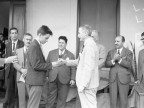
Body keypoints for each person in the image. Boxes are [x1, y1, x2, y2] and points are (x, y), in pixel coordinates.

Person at [25, 25, 62, 108]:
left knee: (33, 104)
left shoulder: (36, 45)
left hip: (36, 80)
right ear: (40, 35)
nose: (47, 40)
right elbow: (36, 65)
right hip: (35, 81)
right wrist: (52, 64)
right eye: (46, 38)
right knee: (33, 105)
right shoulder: (34, 46)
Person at [66, 25, 99, 108]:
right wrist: (65, 62)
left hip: (87, 85)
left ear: (85, 33)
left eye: (79, 33)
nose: (78, 35)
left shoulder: (90, 45)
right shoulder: (87, 45)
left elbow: (88, 67)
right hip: (87, 85)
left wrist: (83, 85)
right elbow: (80, 62)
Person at [46, 36, 76, 108]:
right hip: (52, 78)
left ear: (66, 44)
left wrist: (72, 79)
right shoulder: (51, 53)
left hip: (65, 79)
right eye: (59, 42)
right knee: (50, 98)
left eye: (62, 43)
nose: (60, 44)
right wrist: (46, 76)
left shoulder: (71, 55)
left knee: (62, 99)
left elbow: (73, 68)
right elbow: (47, 65)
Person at [105, 36, 133, 108]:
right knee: (113, 100)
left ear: (123, 42)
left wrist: (120, 60)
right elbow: (107, 64)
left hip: (124, 79)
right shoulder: (110, 52)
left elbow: (129, 65)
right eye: (115, 41)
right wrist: (113, 60)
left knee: (123, 100)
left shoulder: (129, 52)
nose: (115, 43)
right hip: (113, 79)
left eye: (118, 41)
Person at [3, 27, 24, 108]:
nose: (14, 35)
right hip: (9, 70)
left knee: (18, 90)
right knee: (9, 89)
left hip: (18, 69)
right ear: (10, 34)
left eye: (15, 33)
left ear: (17, 34)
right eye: (12, 33)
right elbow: (6, 58)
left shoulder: (22, 43)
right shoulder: (7, 44)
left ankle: (19, 106)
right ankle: (11, 106)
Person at [13, 33, 33, 108]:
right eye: (27, 39)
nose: (28, 41)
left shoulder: (35, 51)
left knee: (31, 98)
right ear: (23, 40)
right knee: (21, 99)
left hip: (31, 78)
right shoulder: (17, 51)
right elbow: (14, 63)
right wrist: (22, 70)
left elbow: (36, 64)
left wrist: (27, 71)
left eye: (30, 40)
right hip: (20, 78)